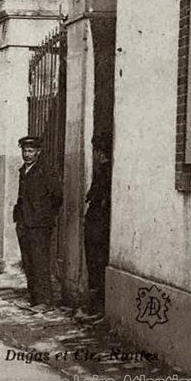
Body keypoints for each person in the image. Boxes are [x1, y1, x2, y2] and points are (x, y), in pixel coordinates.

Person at [12, 135, 62, 307]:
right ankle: (34, 299)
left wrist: (44, 215)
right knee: (28, 262)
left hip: (39, 225)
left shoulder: (45, 170)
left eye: (31, 151)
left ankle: (45, 301)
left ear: (38, 152)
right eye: (25, 151)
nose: (27, 154)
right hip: (25, 223)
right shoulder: (23, 170)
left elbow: (57, 195)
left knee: (40, 262)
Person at [83, 132, 112, 310]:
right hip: (97, 225)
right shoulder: (102, 170)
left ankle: (99, 303)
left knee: (97, 262)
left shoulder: (105, 171)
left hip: (99, 227)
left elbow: (101, 201)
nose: (95, 154)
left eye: (97, 150)